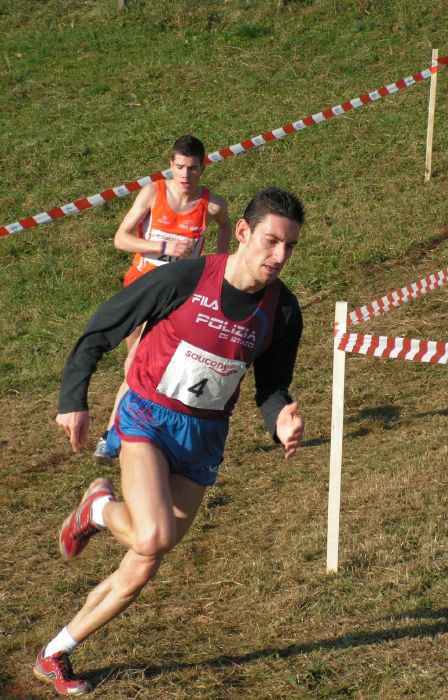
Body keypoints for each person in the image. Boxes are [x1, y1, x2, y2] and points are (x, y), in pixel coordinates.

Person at [33, 187, 305, 696]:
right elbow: (102, 328)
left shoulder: (283, 312)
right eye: (271, 241)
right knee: (151, 535)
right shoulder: (185, 278)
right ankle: (97, 508)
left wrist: (279, 421)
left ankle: (54, 653)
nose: (280, 256)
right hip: (148, 417)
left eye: (290, 246)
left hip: (204, 437)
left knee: (142, 565)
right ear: (242, 233)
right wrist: (74, 397)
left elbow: (271, 386)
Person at [93, 134, 232, 460]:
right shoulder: (152, 193)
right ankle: (119, 433)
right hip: (141, 288)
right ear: (171, 165)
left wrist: (217, 265)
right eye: (180, 167)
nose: (186, 175)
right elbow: (121, 239)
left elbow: (225, 226)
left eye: (193, 169)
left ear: (203, 167)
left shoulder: (212, 205)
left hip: (178, 296)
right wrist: (163, 247)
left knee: (145, 363)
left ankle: (122, 433)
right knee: (136, 363)